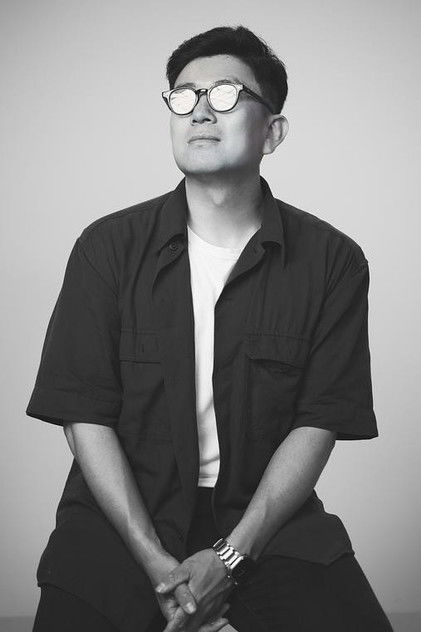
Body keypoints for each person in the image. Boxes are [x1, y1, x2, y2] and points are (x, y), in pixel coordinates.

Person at [27, 24, 394, 632]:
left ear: (272, 132)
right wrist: (155, 561)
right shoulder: (107, 248)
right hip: (122, 518)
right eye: (183, 96)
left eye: (225, 94)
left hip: (265, 521)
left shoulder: (333, 261)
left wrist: (229, 557)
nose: (199, 111)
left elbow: (319, 421)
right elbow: (83, 414)